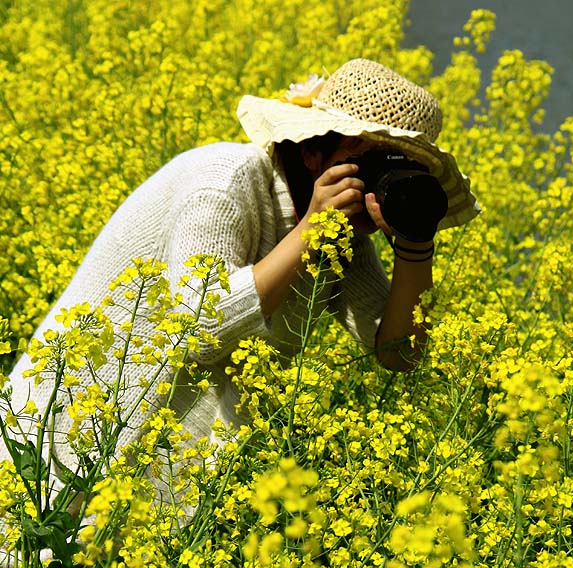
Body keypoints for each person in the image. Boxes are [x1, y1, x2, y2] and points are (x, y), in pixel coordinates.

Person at [0, 58, 479, 480]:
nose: (377, 184)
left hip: (164, 482)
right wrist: (311, 231)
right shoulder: (225, 182)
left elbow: (397, 353)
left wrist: (415, 247)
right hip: (63, 443)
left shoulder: (343, 235)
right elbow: (196, 325)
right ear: (312, 150)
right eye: (364, 163)